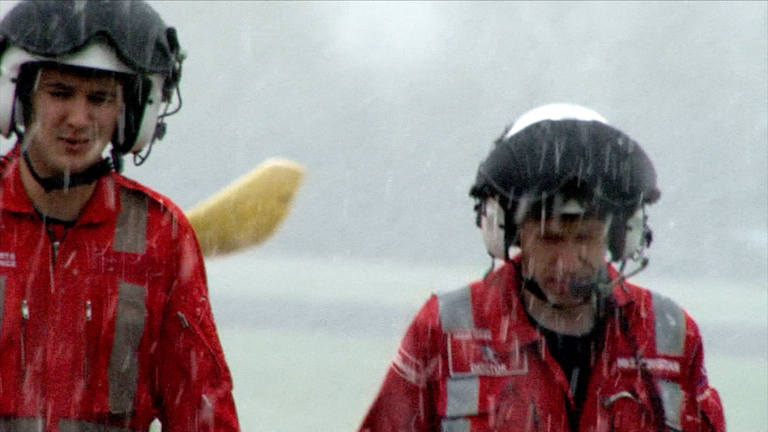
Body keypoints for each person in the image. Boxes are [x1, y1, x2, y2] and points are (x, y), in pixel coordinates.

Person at [358, 104, 725, 432]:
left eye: (584, 238)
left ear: (618, 238)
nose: (567, 261)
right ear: (508, 233)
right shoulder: (446, 328)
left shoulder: (670, 335)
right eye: (550, 239)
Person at [0, 1, 240, 431]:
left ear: (133, 115)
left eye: (99, 98)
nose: (78, 118)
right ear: (18, 97)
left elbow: (202, 411)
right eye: (59, 93)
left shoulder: (159, 235)